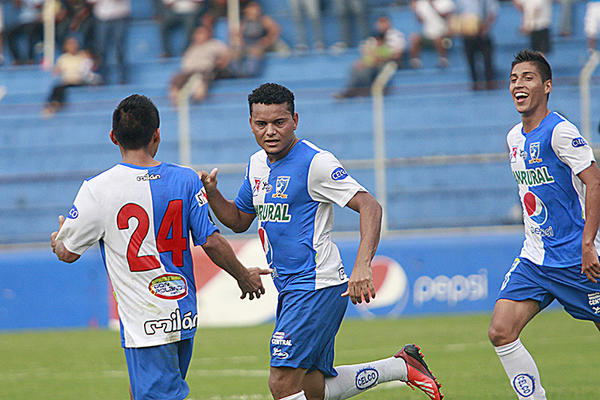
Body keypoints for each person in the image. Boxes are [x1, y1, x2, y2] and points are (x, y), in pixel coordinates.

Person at [199, 83, 443, 400]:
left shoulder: (316, 163)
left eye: (279, 122)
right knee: (311, 388)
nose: (270, 131)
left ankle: (402, 367)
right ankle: (401, 367)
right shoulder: (257, 163)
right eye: (261, 124)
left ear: (295, 120)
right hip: (290, 287)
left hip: (315, 285)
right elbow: (238, 219)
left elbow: (369, 205)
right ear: (251, 124)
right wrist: (213, 192)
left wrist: (362, 265)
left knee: (282, 383)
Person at [50, 94, 271, 400]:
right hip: (181, 315)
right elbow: (211, 241)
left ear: (113, 137)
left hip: (144, 322)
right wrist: (242, 274)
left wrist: (58, 240)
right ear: (157, 135)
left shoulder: (97, 190)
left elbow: (68, 253)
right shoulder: (186, 179)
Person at [488, 50, 600, 400]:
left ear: (547, 86)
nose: (518, 84)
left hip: (575, 257)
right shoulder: (513, 139)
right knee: (501, 331)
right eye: (513, 79)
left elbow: (595, 182)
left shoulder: (560, 131)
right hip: (535, 258)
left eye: (528, 77)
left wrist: (587, 244)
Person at [333, 15, 405, 98]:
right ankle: (351, 91)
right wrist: (363, 61)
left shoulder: (396, 35)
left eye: (384, 22)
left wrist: (379, 57)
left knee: (368, 70)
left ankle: (367, 91)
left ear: (389, 22)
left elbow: (397, 54)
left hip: (389, 64)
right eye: (380, 22)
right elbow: (367, 52)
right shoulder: (373, 37)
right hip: (374, 63)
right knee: (356, 68)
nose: (382, 25)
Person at [168, 25, 230, 105]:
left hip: (204, 70)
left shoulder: (215, 44)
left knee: (202, 80)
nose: (198, 36)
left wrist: (221, 63)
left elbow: (226, 54)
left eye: (201, 33)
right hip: (188, 71)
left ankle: (197, 102)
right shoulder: (192, 47)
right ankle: (176, 103)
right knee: (175, 79)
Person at [42, 36, 99, 117]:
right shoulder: (63, 58)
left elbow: (93, 66)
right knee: (57, 87)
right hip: (67, 81)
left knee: (62, 88)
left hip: (79, 81)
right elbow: (56, 71)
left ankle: (56, 105)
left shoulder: (83, 56)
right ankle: (53, 104)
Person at [227, 1, 281, 78]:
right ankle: (237, 73)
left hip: (258, 44)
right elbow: (237, 34)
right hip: (247, 44)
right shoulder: (243, 21)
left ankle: (250, 73)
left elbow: (275, 30)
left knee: (255, 51)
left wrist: (267, 39)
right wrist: (240, 42)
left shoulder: (263, 20)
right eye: (252, 9)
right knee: (234, 52)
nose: (255, 11)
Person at [455, 0, 498, 90]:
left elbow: (493, 13)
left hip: (484, 35)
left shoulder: (488, 2)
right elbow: (457, 15)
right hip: (468, 36)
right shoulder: (461, 2)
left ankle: (489, 84)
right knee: (471, 62)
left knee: (488, 61)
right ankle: (475, 84)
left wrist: (485, 26)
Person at [88, 0, 130, 84]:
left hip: (119, 16)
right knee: (101, 49)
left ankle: (123, 77)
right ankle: (103, 77)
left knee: (120, 49)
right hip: (102, 17)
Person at [409, 0, 455, 68]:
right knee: (414, 37)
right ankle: (415, 62)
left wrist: (433, 6)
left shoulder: (446, 2)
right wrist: (415, 11)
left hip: (444, 34)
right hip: (428, 35)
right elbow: (420, 21)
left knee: (438, 38)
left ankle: (443, 60)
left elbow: (447, 16)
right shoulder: (421, 3)